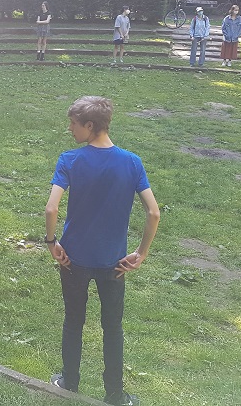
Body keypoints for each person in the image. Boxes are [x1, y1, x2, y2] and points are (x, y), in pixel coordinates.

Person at [44, 96, 160, 406]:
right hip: (115, 263)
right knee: (113, 327)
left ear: (90, 125)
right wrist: (142, 253)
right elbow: (153, 213)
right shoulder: (131, 162)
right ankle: (115, 396)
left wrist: (52, 242)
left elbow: (51, 208)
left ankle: (69, 384)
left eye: (73, 124)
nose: (70, 129)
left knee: (73, 321)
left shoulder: (70, 160)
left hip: (73, 260)